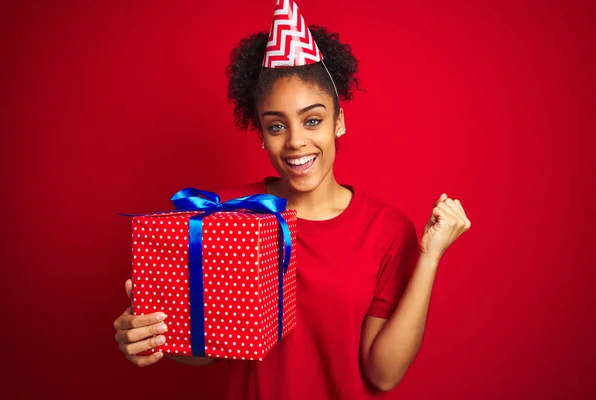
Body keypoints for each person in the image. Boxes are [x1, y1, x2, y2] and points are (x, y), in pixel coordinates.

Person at [113, 1, 471, 398]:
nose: (296, 141)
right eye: (277, 125)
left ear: (339, 120)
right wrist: (154, 335)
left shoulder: (386, 230)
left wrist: (431, 257)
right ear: (260, 133)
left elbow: (382, 374)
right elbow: (210, 351)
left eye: (313, 120)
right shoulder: (226, 214)